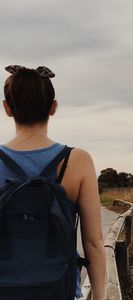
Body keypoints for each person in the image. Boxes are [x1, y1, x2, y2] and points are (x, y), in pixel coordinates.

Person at [0, 65, 106, 300]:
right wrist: (100, 296)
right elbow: (94, 243)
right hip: (59, 291)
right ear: (53, 107)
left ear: (7, 108)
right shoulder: (77, 161)